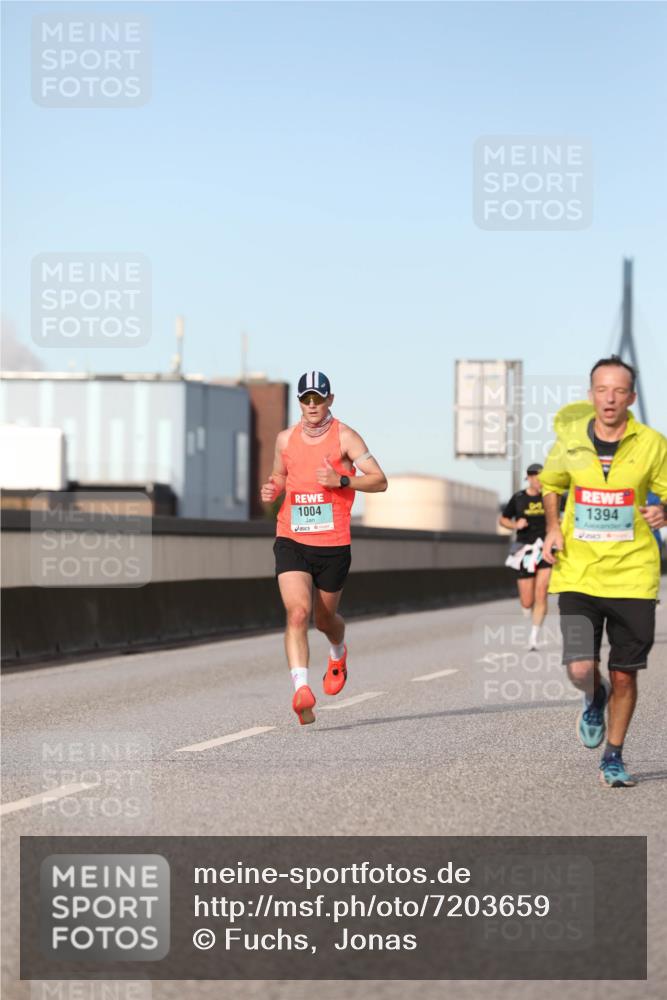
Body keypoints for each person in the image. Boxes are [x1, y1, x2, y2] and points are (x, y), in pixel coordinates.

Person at [541, 356, 667, 787]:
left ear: (631, 397)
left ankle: (613, 756)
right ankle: (593, 699)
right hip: (577, 572)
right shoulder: (571, 440)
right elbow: (553, 483)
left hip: (633, 573)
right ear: (591, 393)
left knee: (624, 672)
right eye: (602, 389)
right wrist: (553, 527)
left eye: (619, 390)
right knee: (580, 668)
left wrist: (663, 509)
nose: (610, 398)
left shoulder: (653, 443)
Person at [260, 371, 388, 725]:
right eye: (306, 399)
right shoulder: (285, 439)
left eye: (319, 398)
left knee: (324, 619)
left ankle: (337, 651)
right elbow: (279, 475)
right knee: (297, 613)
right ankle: (301, 689)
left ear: (330, 399)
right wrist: (272, 488)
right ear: (299, 402)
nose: (312, 405)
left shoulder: (345, 437)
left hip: (333, 543)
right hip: (292, 537)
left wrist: (342, 480)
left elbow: (380, 481)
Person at [499, 464, 552, 650]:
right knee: (527, 601)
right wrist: (515, 525)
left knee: (541, 593)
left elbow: (569, 511)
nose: (539, 481)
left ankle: (534, 638)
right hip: (524, 550)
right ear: (528, 478)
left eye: (542, 478)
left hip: (545, 548)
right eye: (535, 478)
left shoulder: (550, 496)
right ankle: (527, 609)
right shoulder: (519, 498)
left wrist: (560, 522)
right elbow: (503, 519)